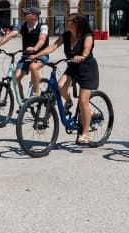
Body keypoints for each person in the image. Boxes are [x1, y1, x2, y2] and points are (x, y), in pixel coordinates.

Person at [34, 14, 99, 144]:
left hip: (87, 69)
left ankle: (85, 133)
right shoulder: (66, 36)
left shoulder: (87, 36)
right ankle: (68, 102)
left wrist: (82, 56)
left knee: (83, 101)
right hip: (72, 68)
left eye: (69, 21)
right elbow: (53, 46)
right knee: (60, 87)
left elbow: (86, 49)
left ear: (76, 23)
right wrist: (36, 55)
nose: (65, 22)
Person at [0, 7, 49, 95]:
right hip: (26, 56)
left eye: (26, 14)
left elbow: (42, 39)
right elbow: (10, 35)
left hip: (41, 55)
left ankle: (36, 93)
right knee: (16, 77)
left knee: (33, 67)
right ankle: (22, 100)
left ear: (34, 16)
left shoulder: (43, 26)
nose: (23, 15)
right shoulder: (22, 25)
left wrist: (35, 48)